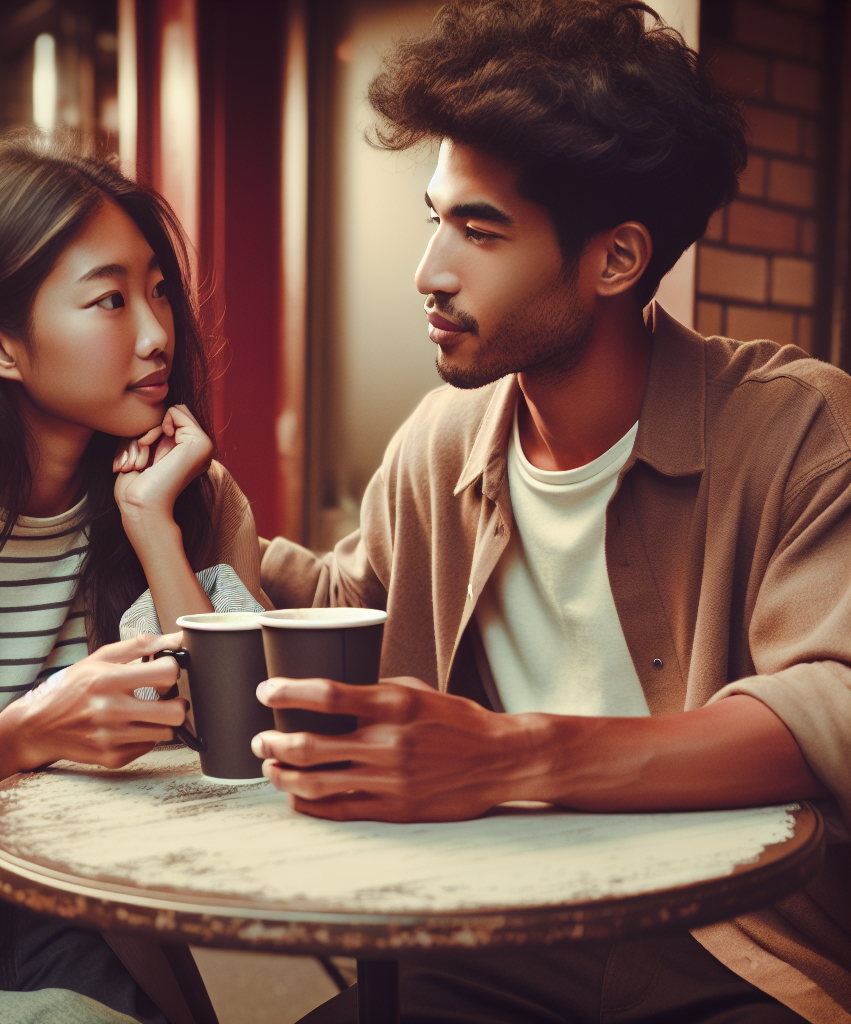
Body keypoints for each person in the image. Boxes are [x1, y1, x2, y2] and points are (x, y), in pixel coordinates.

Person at [254, 2, 851, 1023]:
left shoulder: (798, 428)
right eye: (434, 217)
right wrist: (185, 503)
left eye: (479, 230)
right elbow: (346, 600)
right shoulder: (440, 441)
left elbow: (830, 703)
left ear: (616, 260)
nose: (428, 272)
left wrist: (503, 756)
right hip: (495, 931)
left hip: (732, 947)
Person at [0, 131, 266, 1024]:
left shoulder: (191, 500)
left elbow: (235, 749)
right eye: (109, 300)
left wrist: (152, 528)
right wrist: (17, 738)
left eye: (157, 291)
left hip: (114, 930)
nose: (156, 335)